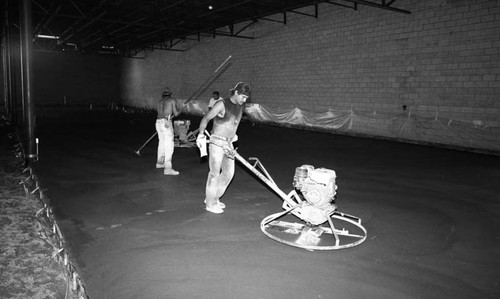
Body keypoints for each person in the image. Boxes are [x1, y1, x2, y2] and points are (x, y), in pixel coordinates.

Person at [196, 82, 251, 214]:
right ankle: (210, 204)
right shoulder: (222, 104)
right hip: (216, 142)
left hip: (229, 143)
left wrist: (234, 136)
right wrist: (201, 135)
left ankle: (214, 198)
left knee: (228, 173)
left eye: (246, 98)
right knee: (214, 174)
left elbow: (234, 122)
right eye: (243, 97)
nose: (244, 100)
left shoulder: (241, 106)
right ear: (236, 92)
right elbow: (206, 118)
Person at [156, 86, 184, 175]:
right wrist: (182, 108)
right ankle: (168, 168)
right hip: (166, 123)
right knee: (169, 145)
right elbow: (176, 113)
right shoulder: (172, 100)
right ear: (170, 93)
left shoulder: (160, 101)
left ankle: (160, 163)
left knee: (162, 142)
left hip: (158, 122)